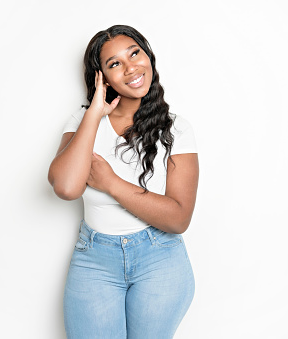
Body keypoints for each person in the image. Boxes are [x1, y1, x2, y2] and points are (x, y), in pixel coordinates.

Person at [48, 25, 199, 339]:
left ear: (148, 57)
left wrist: (110, 182)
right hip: (95, 261)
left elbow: (178, 217)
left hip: (159, 259)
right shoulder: (82, 121)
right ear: (100, 76)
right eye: (114, 63)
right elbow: (65, 187)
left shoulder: (177, 130)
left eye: (135, 54)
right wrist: (95, 112)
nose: (131, 67)